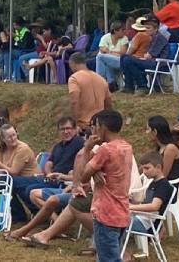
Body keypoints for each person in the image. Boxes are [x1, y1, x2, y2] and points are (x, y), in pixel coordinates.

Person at [4, 117, 84, 237]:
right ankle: (35, 215)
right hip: (49, 179)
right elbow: (48, 163)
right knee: (15, 183)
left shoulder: (79, 143)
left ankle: (36, 216)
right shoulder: (58, 146)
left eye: (68, 129)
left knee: (18, 183)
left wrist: (64, 176)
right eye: (62, 129)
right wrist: (49, 172)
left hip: (63, 182)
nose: (66, 132)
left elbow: (80, 167)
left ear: (75, 129)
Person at [73, 109, 133, 262]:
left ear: (103, 127)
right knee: (111, 256)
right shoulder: (126, 147)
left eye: (96, 126)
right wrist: (95, 171)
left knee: (107, 259)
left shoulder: (106, 149)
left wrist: (87, 148)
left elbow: (82, 177)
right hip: (122, 211)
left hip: (106, 213)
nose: (94, 130)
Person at [123, 151, 175, 262]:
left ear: (158, 167)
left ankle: (119, 255)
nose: (144, 171)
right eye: (143, 168)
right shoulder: (153, 183)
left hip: (148, 225)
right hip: (142, 218)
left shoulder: (163, 185)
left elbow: (154, 206)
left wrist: (131, 207)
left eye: (147, 168)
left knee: (113, 222)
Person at [119, 17, 169, 95]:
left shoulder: (159, 38)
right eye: (145, 28)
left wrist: (146, 56)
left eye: (149, 28)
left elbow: (149, 55)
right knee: (124, 58)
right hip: (150, 61)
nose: (146, 30)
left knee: (128, 59)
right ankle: (130, 86)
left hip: (158, 63)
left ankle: (141, 86)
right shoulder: (153, 37)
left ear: (156, 29)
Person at [68, 52, 112, 129]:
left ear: (72, 64)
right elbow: (108, 103)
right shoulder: (101, 79)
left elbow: (74, 101)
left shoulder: (74, 78)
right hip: (100, 125)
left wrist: (75, 123)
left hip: (84, 125)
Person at [96, 21, 130, 91]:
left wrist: (109, 52)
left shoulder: (124, 38)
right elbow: (102, 49)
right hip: (110, 60)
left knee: (100, 57)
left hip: (120, 60)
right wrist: (114, 53)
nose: (124, 31)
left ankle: (100, 82)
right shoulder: (105, 37)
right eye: (122, 30)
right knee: (105, 61)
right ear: (115, 31)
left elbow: (122, 53)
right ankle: (112, 84)